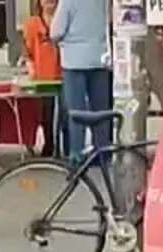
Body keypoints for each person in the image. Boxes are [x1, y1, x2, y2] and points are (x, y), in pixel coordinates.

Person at [50, 0, 110, 161]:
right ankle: (102, 153)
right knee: (101, 111)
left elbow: (55, 31)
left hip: (73, 60)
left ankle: (77, 153)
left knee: (76, 111)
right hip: (99, 57)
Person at [24, 0, 65, 154]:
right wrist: (30, 66)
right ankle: (49, 145)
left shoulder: (63, 21)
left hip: (62, 74)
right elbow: (27, 51)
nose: (49, 3)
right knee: (46, 115)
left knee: (64, 115)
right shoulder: (33, 24)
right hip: (43, 77)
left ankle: (65, 148)